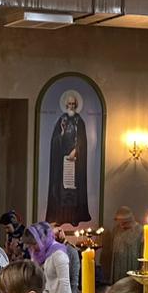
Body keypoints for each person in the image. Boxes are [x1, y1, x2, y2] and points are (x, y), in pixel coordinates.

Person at [47, 93, 89, 226]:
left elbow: (82, 140)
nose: (71, 107)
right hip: (62, 160)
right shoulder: (62, 120)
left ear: (76, 106)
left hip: (75, 161)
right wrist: (62, 133)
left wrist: (76, 150)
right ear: (66, 105)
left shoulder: (79, 121)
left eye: (73, 104)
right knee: (61, 189)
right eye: (69, 104)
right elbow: (55, 140)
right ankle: (60, 217)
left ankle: (74, 217)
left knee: (73, 189)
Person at [107, 206, 143, 285]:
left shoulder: (140, 230)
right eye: (120, 222)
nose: (121, 225)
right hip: (118, 265)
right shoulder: (116, 229)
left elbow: (142, 252)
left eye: (124, 222)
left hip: (132, 264)